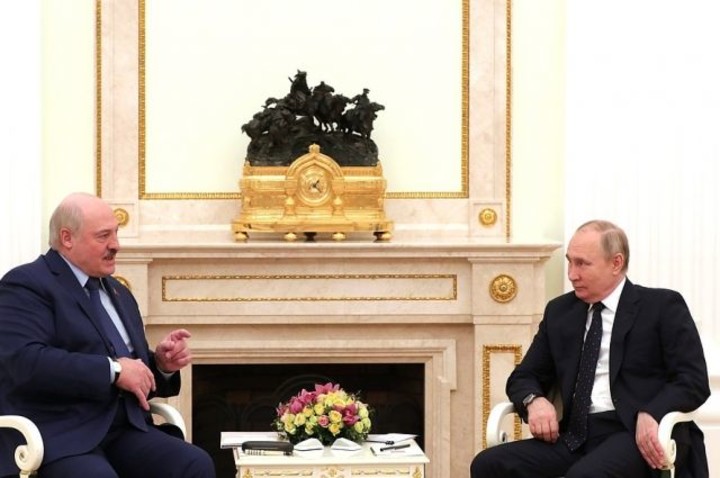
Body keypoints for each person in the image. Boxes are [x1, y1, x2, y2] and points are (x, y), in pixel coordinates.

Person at [471, 219, 710, 478]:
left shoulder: (661, 306)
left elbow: (693, 380)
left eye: (582, 264)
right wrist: (534, 400)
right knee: (487, 464)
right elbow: (523, 376)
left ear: (616, 263)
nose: (572, 274)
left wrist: (652, 412)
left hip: (633, 434)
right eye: (570, 262)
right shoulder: (560, 312)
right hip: (574, 437)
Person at [0, 192, 215, 478]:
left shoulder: (118, 292)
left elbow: (130, 372)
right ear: (67, 238)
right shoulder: (27, 284)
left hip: (124, 431)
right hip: (61, 436)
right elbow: (25, 362)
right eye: (103, 236)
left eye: (115, 233)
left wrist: (161, 365)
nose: (116, 245)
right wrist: (113, 370)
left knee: (194, 464)